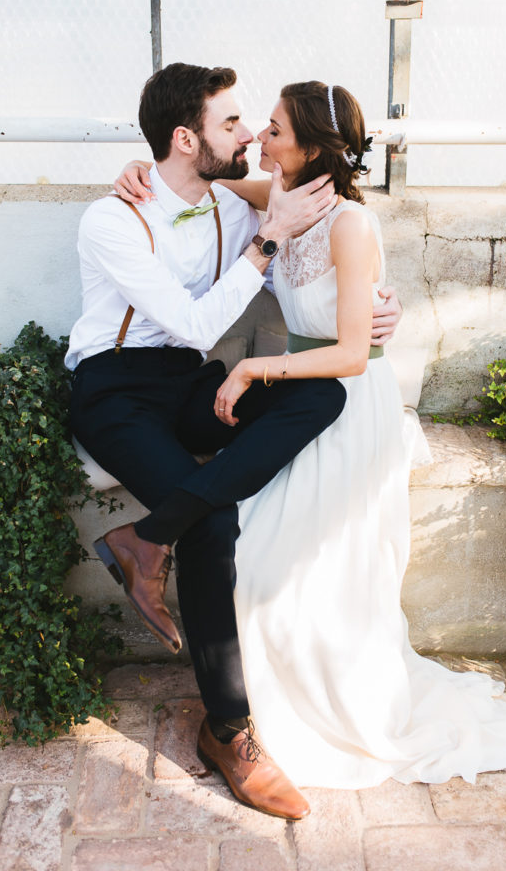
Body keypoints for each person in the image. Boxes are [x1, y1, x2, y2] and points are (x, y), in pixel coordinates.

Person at [67, 62, 402, 820]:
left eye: (255, 122)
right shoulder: (112, 217)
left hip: (188, 385)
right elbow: (189, 320)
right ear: (185, 138)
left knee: (319, 395)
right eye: (230, 123)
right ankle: (228, 731)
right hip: (114, 391)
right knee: (214, 523)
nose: (249, 133)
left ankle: (144, 539)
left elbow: (339, 240)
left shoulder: (236, 203)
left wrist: (384, 305)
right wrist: (267, 244)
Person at [207, 79, 506, 788]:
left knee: (299, 572)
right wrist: (146, 171)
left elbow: (355, 353)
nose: (257, 141)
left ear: (310, 147)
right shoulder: (283, 199)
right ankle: (262, 705)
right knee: (254, 554)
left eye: (272, 130)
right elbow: (216, 177)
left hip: (344, 405)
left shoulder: (350, 226)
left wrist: (251, 370)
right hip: (300, 403)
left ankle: (331, 706)